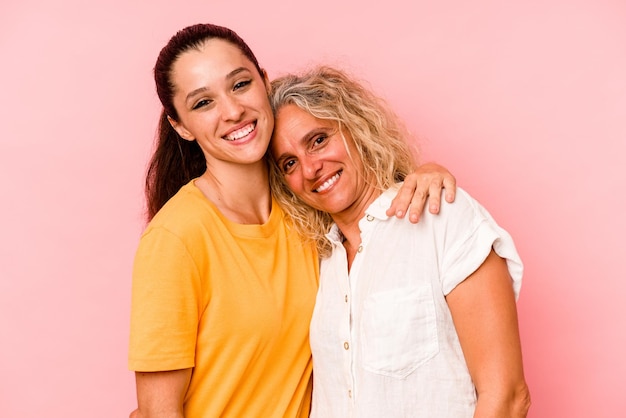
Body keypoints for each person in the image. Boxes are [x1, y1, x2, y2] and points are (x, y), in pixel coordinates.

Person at [128, 24, 457, 418]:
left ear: (264, 82)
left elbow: (378, 212)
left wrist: (425, 174)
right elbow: (155, 413)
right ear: (180, 125)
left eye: (240, 84)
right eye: (203, 103)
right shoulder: (176, 238)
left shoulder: (308, 205)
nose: (233, 111)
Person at [268, 66, 531, 417]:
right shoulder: (317, 262)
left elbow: (508, 397)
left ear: (356, 127)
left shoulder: (442, 217)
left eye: (318, 140)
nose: (310, 168)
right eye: (289, 163)